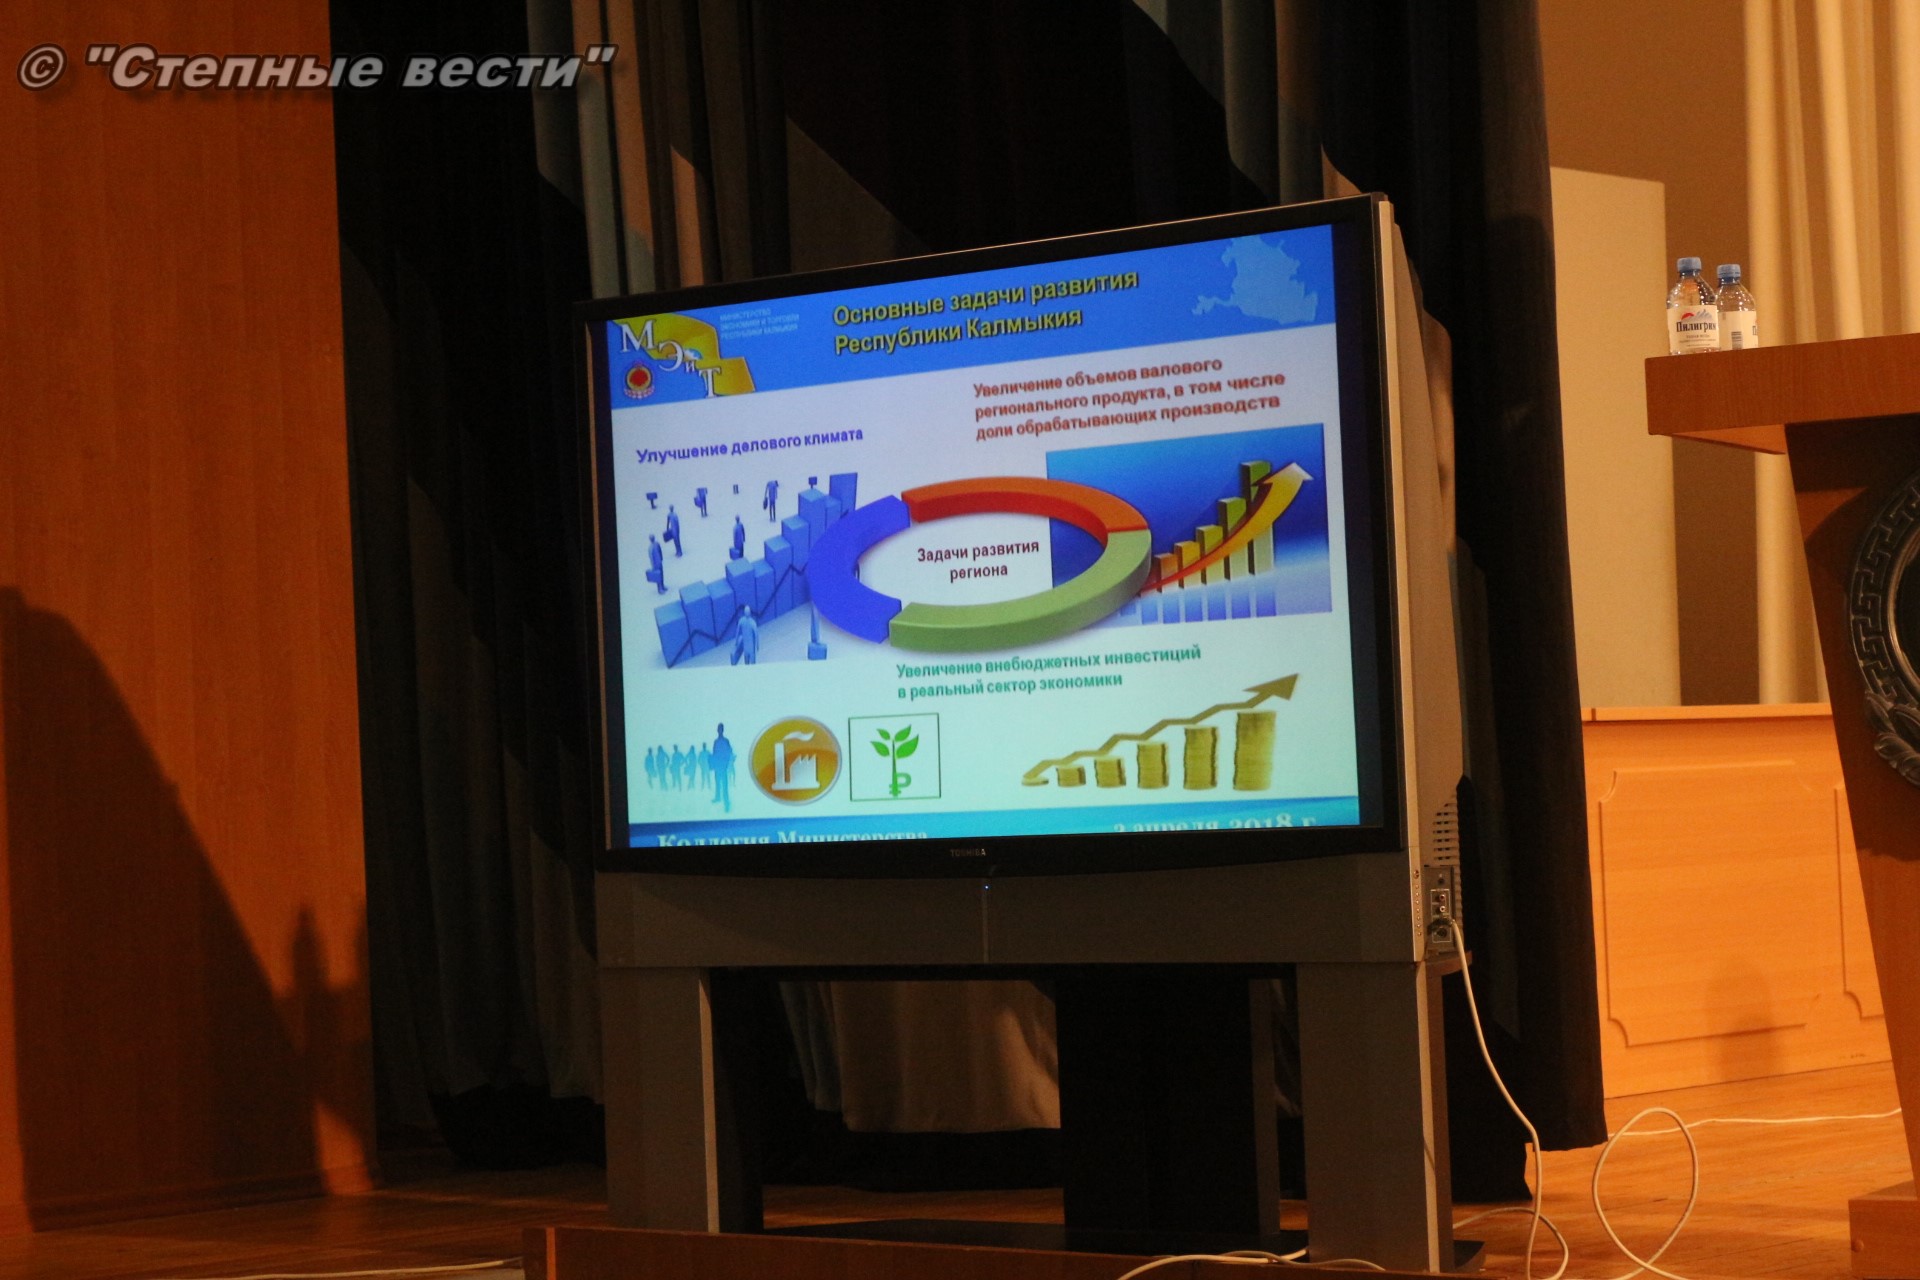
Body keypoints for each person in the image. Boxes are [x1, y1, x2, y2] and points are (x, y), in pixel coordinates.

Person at [710, 723, 735, 812]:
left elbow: (729, 751)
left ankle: (726, 802)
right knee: (717, 782)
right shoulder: (716, 742)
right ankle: (718, 797)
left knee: (724, 784)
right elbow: (714, 753)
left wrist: (727, 762)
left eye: (720, 729)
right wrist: (713, 764)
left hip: (723, 765)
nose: (719, 730)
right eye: (718, 729)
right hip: (718, 765)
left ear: (722, 730)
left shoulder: (725, 741)